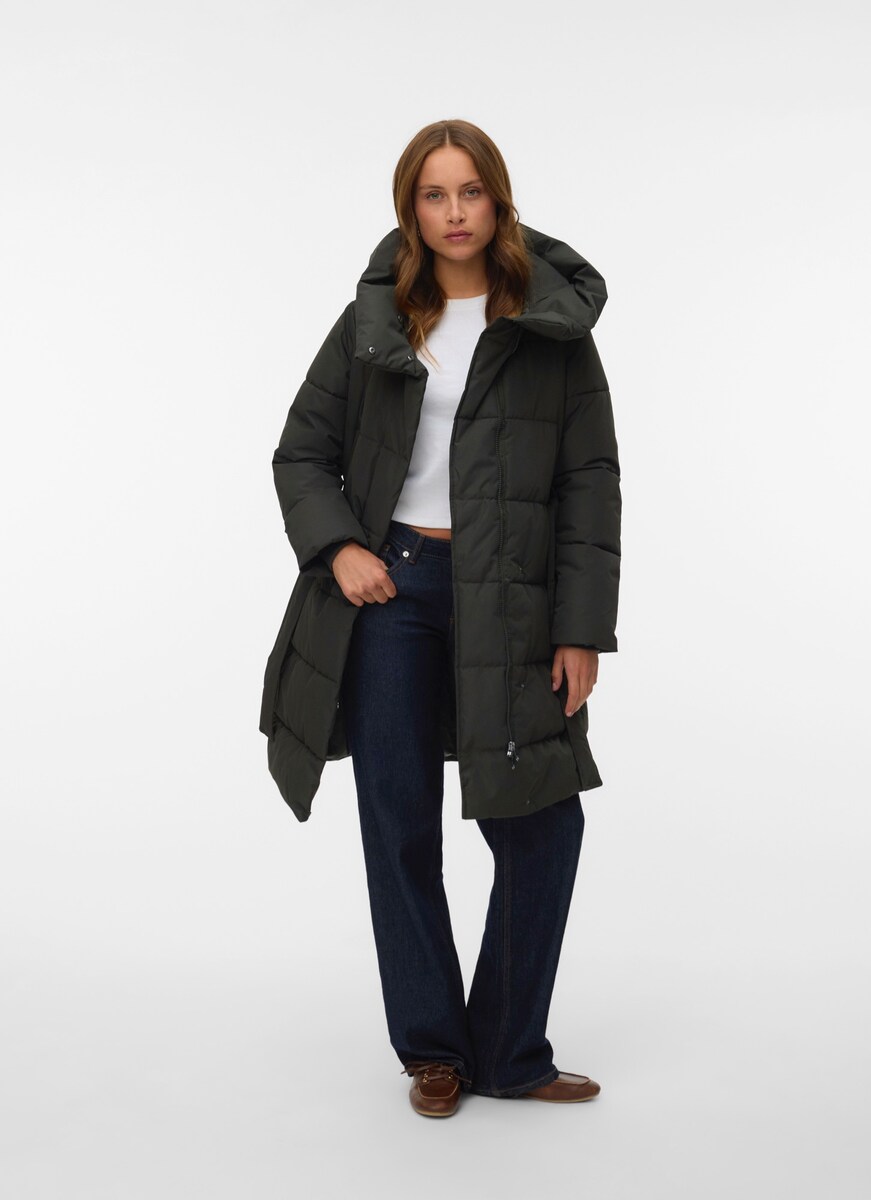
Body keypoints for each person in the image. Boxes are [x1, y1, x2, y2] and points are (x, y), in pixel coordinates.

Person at [259, 118, 621, 1118]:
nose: (455, 212)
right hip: (397, 593)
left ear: (497, 199)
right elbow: (301, 451)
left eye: (470, 192)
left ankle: (510, 1049)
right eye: (434, 194)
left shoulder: (550, 326)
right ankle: (434, 1052)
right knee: (399, 821)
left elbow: (591, 483)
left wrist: (580, 628)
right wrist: (342, 548)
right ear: (410, 209)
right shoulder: (377, 318)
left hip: (515, 602)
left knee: (542, 822)